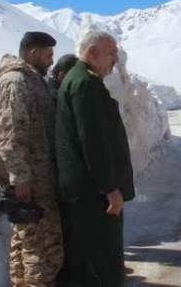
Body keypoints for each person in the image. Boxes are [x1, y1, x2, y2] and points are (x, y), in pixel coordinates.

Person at [0, 31, 64, 286]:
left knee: (26, 241)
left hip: (34, 177)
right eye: (48, 54)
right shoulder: (16, 82)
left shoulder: (33, 81)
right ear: (33, 52)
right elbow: (9, 135)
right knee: (44, 248)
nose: (52, 61)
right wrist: (20, 178)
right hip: (31, 180)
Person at [55, 30, 134, 286]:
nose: (115, 59)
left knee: (87, 258)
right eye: (111, 53)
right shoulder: (85, 84)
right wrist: (109, 188)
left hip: (85, 190)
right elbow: (93, 142)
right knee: (100, 259)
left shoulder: (82, 80)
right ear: (92, 53)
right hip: (92, 194)